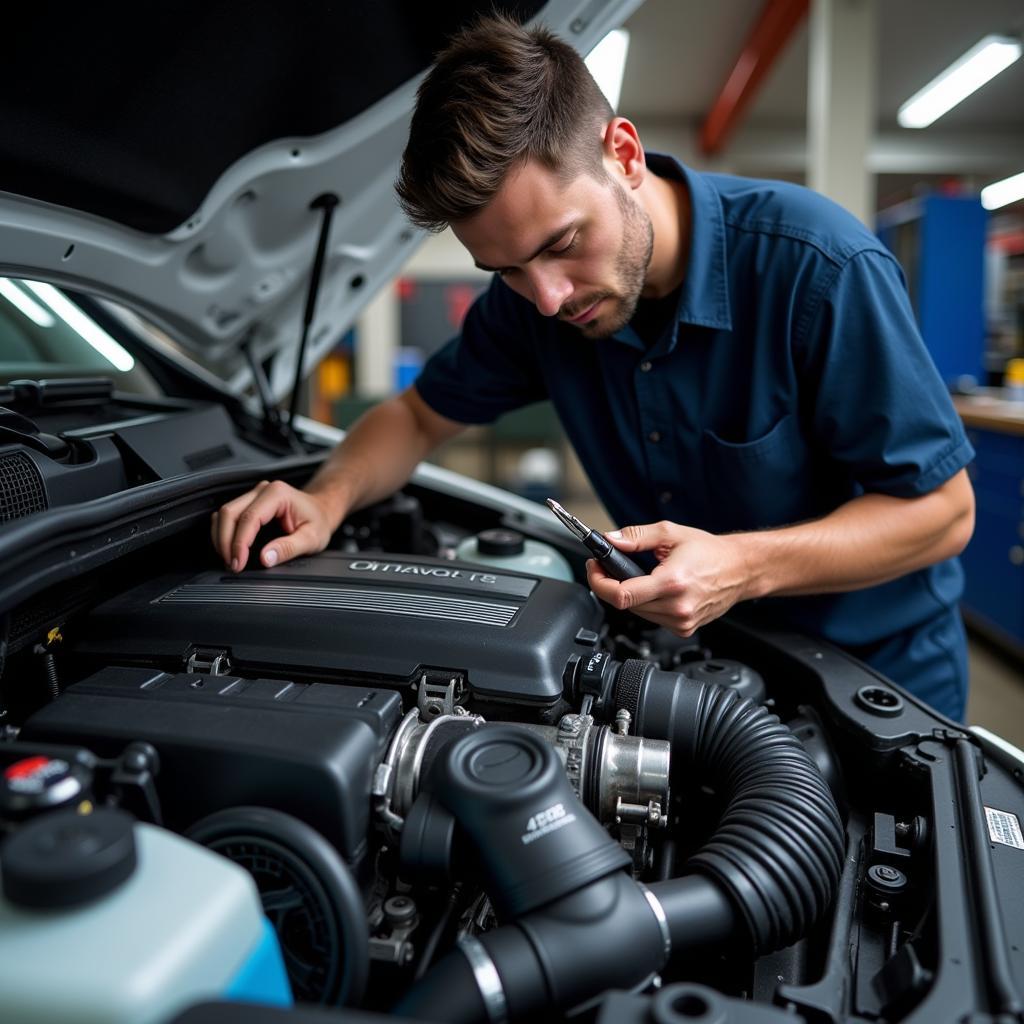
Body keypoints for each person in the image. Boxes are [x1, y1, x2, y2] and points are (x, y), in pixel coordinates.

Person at [212, 15, 975, 720]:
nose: (546, 300)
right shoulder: (533, 303)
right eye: (505, 270)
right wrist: (327, 499)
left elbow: (943, 513)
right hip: (705, 661)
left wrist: (743, 565)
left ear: (625, 155)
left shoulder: (819, 268)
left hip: (876, 682)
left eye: (560, 244)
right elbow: (416, 416)